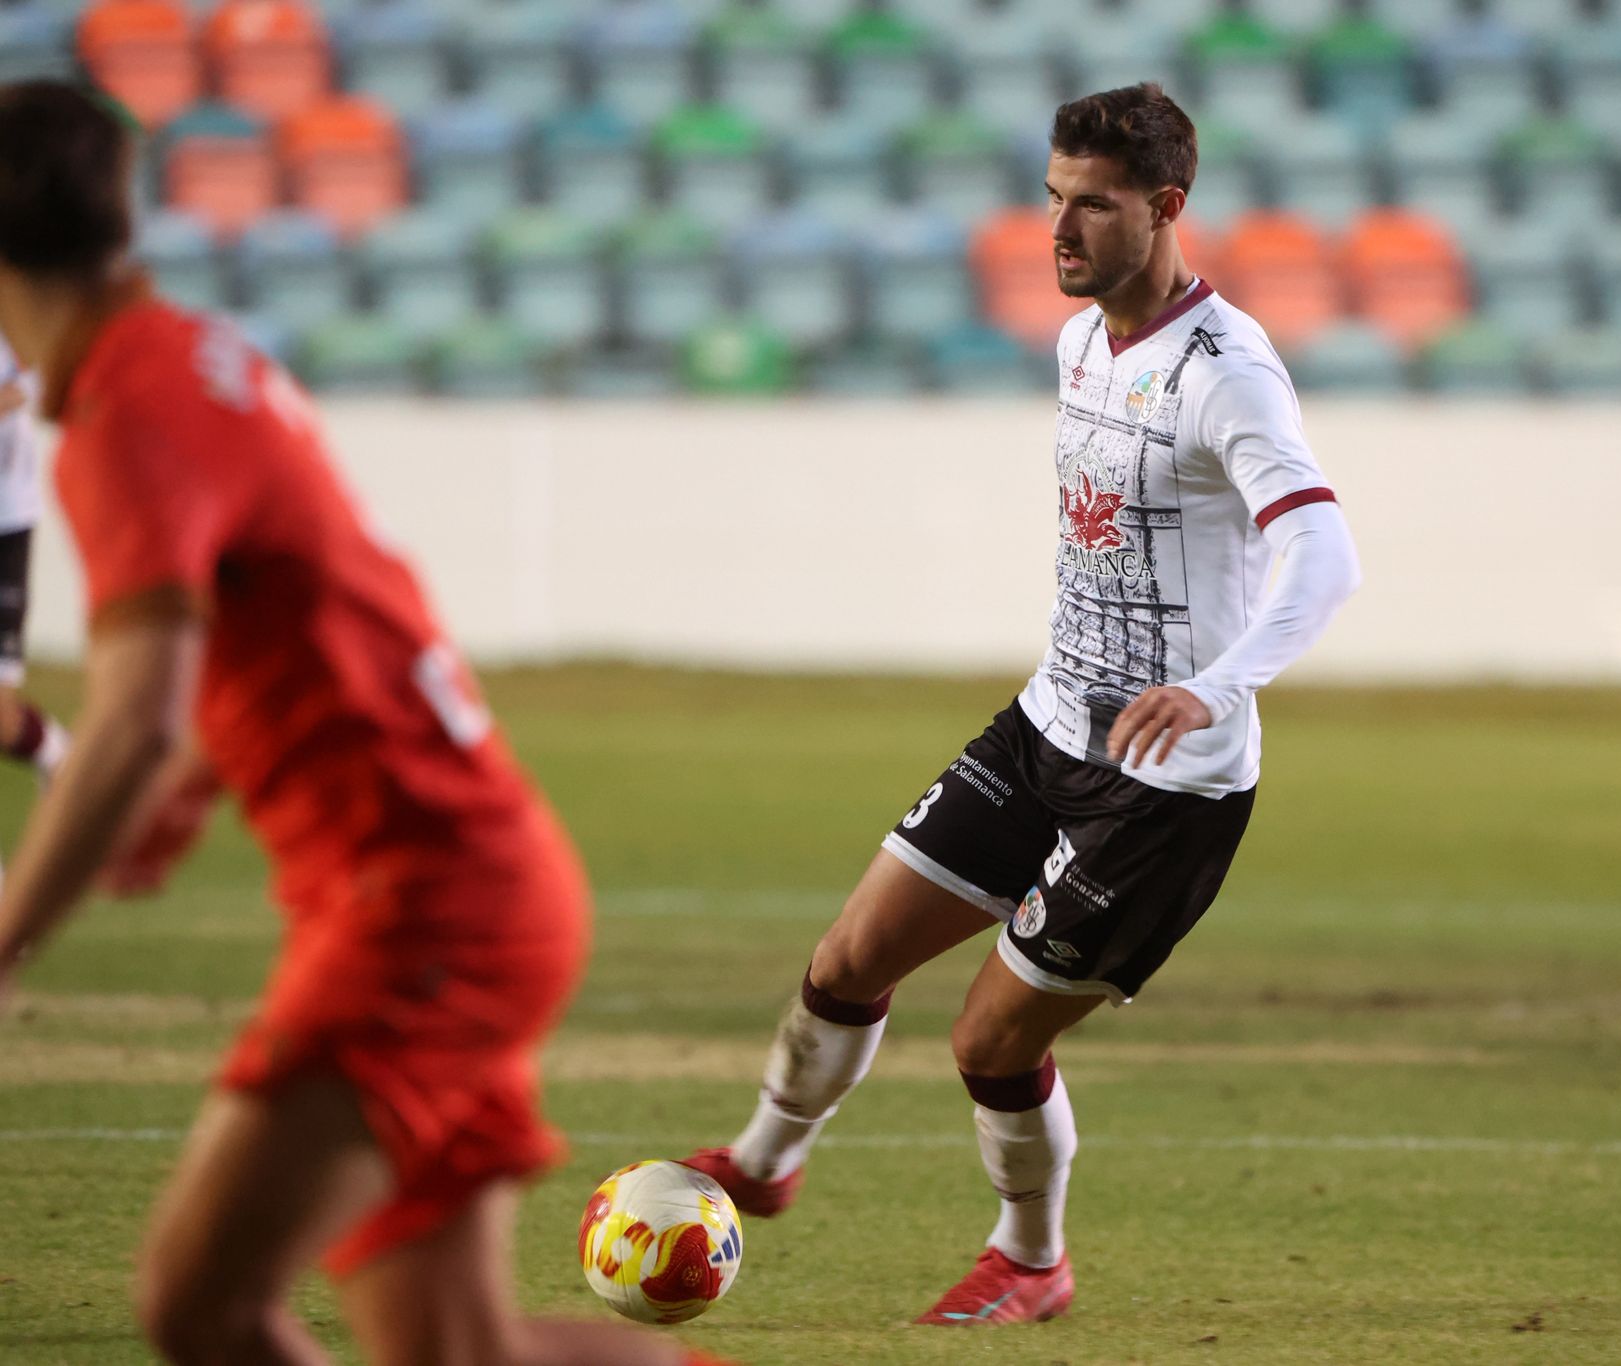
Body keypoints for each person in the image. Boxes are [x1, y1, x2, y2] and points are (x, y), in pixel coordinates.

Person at [0, 82, 736, 1366]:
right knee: (455, 1352)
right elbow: (272, 638)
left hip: (419, 905)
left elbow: (128, 715)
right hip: (469, 876)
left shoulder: (127, 406)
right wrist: (187, 778)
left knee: (200, 1306)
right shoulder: (186, 359)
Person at [683, 82, 1363, 1326]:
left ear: (1164, 210)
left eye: (1090, 207)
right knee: (844, 963)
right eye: (1050, 199)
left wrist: (1216, 685)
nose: (1057, 230)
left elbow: (1323, 552)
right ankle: (764, 1166)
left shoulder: (1227, 374)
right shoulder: (1078, 340)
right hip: (1047, 723)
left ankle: (1031, 1259)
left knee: (988, 1044)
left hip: (1162, 789)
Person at [0, 336, 70, 796]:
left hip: (6, 525)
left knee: (1, 721)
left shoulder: (14, 301)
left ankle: (59, 754)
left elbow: (40, 375)